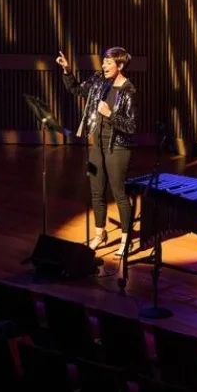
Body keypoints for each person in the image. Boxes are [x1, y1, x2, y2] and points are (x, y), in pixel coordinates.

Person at [56, 47, 136, 257]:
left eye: (109, 63)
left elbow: (131, 126)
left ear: (120, 66)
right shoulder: (100, 81)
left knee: (119, 194)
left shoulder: (128, 91)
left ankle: (126, 239)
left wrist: (109, 114)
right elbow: (77, 90)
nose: (104, 66)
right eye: (104, 62)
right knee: (96, 191)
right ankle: (100, 234)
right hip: (97, 146)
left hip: (117, 148)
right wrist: (67, 71)